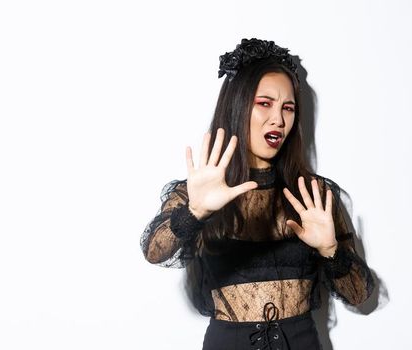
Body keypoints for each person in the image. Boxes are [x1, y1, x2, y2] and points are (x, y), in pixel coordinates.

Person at [140, 38, 375, 350]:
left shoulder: (312, 195)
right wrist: (194, 213)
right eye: (265, 103)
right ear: (238, 106)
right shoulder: (200, 191)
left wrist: (331, 250)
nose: (278, 119)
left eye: (288, 108)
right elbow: (155, 252)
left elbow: (358, 295)